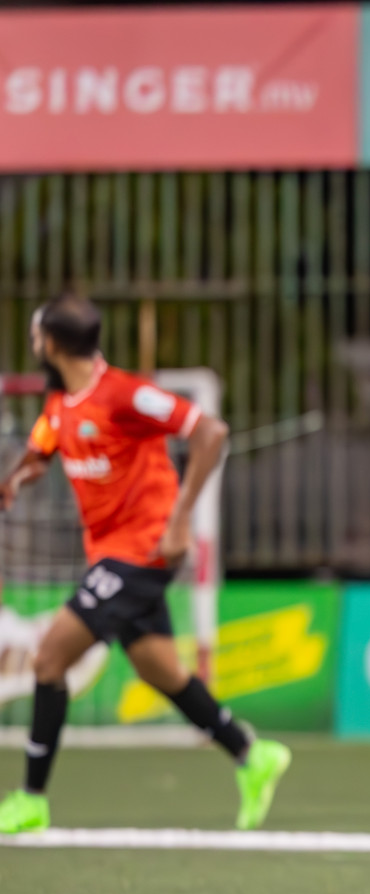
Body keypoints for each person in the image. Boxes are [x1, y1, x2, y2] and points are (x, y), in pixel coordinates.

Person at [0, 295, 291, 834]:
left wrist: (181, 521)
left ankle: (31, 798)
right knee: (161, 670)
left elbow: (212, 432)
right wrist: (18, 476)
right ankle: (252, 754)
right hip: (111, 553)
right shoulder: (62, 401)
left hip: (144, 551)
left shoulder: (126, 395)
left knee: (47, 660)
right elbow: (44, 445)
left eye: (38, 334)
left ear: (55, 344)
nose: (33, 342)